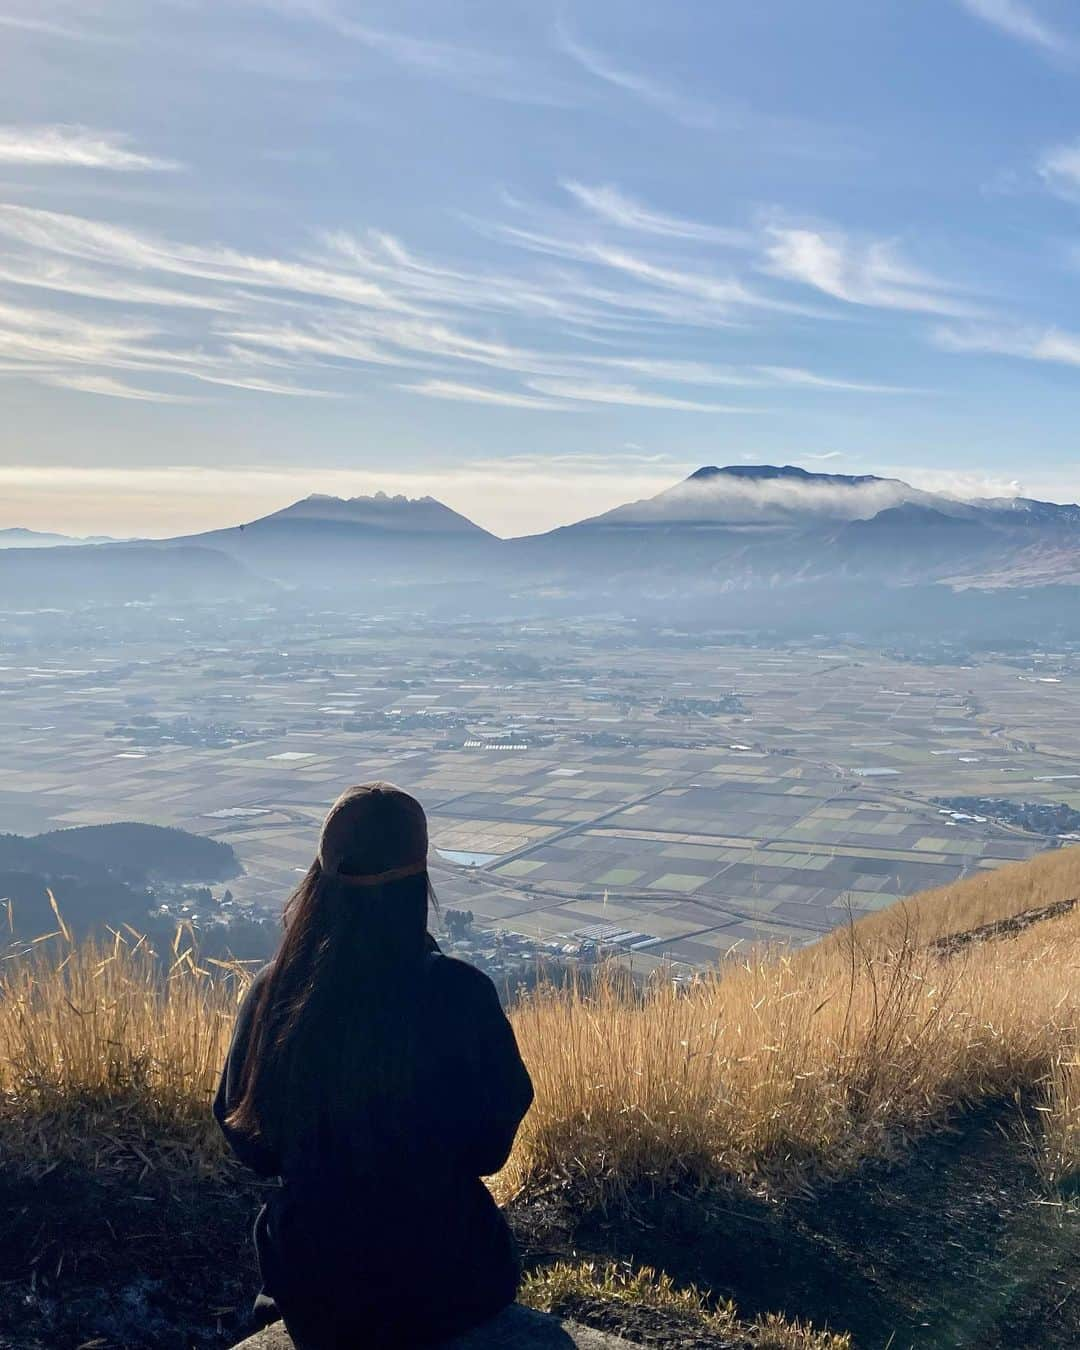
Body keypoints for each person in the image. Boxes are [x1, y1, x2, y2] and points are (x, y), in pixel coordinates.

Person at [214, 782, 534, 1348]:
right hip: (454, 1280)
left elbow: (252, 1147)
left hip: (317, 1288)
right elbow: (491, 1151)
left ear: (322, 878)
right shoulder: (462, 995)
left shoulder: (272, 995)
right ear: (420, 875)